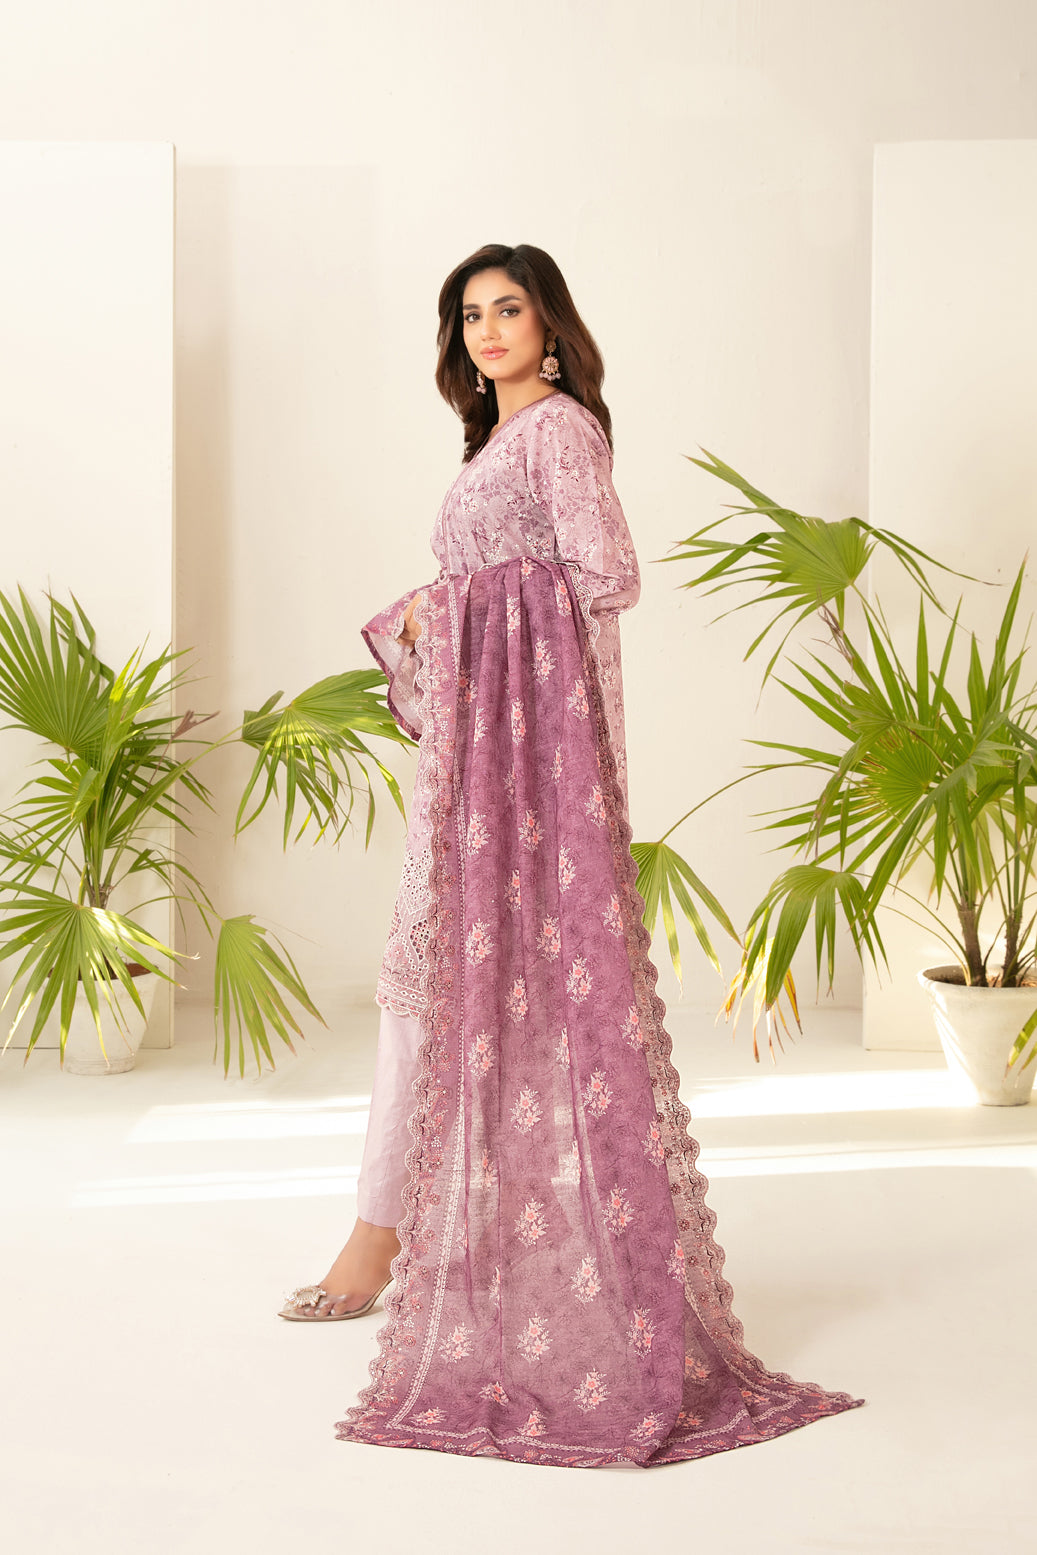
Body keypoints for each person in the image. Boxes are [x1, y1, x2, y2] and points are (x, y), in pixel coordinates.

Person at [281, 244, 865, 1467]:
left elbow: (606, 577)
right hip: (477, 767)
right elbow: (512, 579)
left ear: (549, 327)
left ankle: (389, 1241)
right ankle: (408, 1231)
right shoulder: (495, 443)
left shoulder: (557, 432)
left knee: (466, 990)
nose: (487, 328)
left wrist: (454, 608)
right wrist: (444, 610)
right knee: (424, 982)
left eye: (509, 308)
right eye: (468, 313)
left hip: (528, 773)